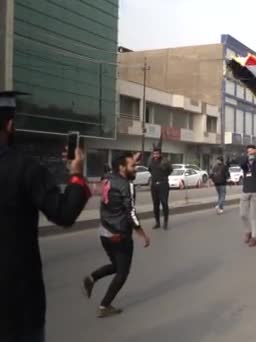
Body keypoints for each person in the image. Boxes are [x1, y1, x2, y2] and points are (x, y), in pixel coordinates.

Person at [0, 91, 90, 342]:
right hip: (17, 303)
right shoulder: (25, 168)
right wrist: (77, 175)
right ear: (10, 125)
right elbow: (64, 213)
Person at [82, 152, 150, 318]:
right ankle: (104, 306)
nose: (135, 169)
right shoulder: (126, 185)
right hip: (119, 234)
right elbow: (130, 212)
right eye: (132, 166)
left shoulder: (108, 178)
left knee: (117, 265)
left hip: (104, 232)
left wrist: (131, 159)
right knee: (123, 272)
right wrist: (142, 233)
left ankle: (92, 277)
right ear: (121, 167)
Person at [148, 146, 172, 229]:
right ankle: (157, 223)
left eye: (157, 153)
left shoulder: (165, 161)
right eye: (154, 153)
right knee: (155, 205)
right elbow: (150, 170)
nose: (155, 155)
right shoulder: (151, 161)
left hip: (163, 185)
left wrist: (163, 177)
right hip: (154, 186)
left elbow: (170, 170)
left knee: (164, 203)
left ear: (160, 154)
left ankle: (165, 223)